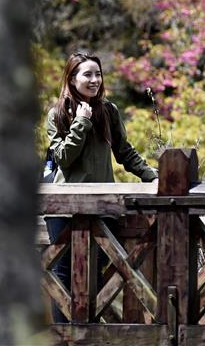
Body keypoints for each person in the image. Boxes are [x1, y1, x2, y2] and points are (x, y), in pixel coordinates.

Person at [44, 51, 157, 322]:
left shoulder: (108, 111)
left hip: (102, 206)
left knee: (94, 274)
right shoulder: (57, 113)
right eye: (87, 74)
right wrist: (81, 123)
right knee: (62, 277)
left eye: (98, 74)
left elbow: (125, 152)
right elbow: (63, 158)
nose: (94, 80)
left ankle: (88, 336)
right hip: (63, 208)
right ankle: (63, 340)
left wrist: (151, 176)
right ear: (72, 79)